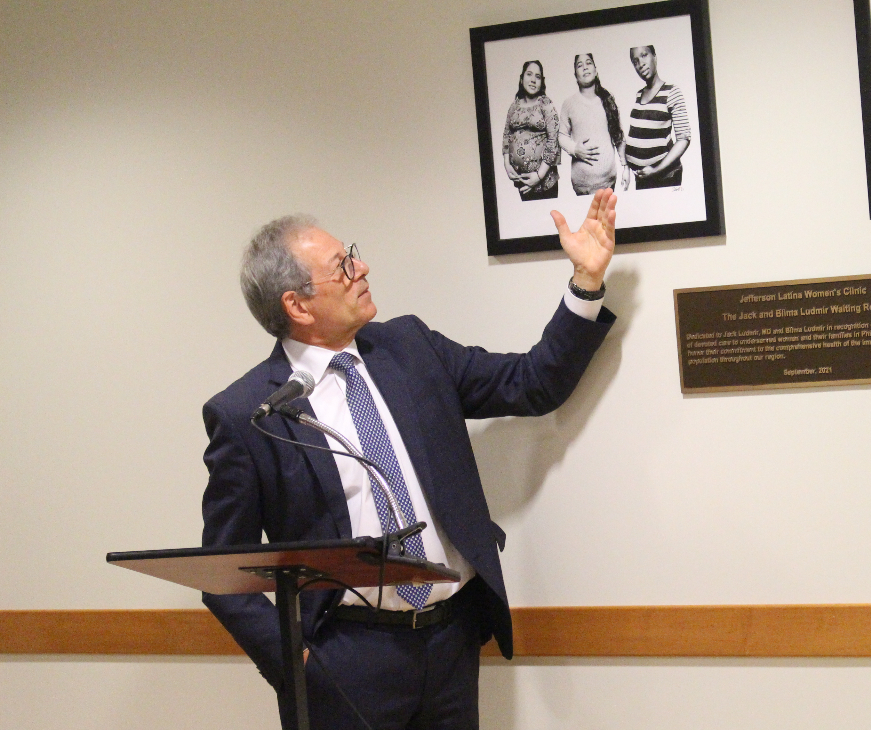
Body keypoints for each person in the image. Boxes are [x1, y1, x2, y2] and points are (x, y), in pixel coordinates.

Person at [202, 189, 618, 730]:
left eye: (351, 253)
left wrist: (585, 282)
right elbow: (221, 569)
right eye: (342, 265)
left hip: (450, 640)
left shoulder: (410, 348)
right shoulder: (249, 413)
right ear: (297, 306)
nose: (362, 267)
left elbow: (531, 384)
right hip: (344, 657)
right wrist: (296, 662)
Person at [558, 53, 627, 195]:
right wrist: (574, 149)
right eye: (579, 65)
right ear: (575, 75)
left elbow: (618, 136)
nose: (584, 67)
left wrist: (625, 167)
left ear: (596, 70)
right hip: (582, 186)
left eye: (588, 63)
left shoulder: (608, 100)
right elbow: (561, 136)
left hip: (608, 182)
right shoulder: (569, 104)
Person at [623, 45, 691, 189]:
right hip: (642, 179)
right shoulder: (639, 94)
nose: (640, 64)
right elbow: (635, 135)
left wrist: (655, 170)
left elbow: (684, 139)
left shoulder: (672, 92)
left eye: (644, 55)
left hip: (666, 178)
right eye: (635, 61)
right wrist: (627, 168)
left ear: (654, 56)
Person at [502, 60, 560, 201]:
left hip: (545, 183)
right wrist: (507, 164)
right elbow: (506, 135)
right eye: (529, 74)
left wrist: (539, 176)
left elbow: (554, 141)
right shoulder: (514, 106)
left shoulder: (546, 104)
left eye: (538, 77)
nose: (533, 80)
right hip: (522, 181)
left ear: (542, 82)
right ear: (522, 79)